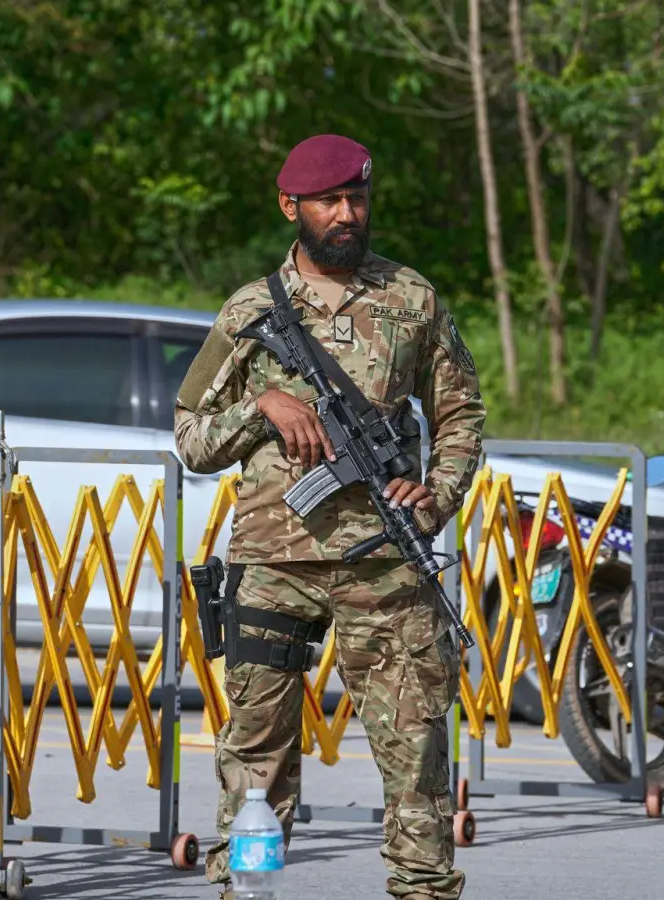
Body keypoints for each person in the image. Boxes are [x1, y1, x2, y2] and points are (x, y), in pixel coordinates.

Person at [174, 134, 486, 900]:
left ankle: (422, 889)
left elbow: (462, 414)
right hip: (273, 565)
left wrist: (438, 494)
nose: (347, 214)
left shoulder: (412, 300)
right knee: (255, 759)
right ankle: (248, 891)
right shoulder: (251, 311)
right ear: (292, 207)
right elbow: (191, 436)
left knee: (415, 752)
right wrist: (261, 407)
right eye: (329, 201)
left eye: (357, 198)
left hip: (384, 560)